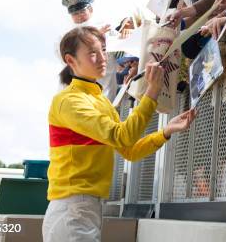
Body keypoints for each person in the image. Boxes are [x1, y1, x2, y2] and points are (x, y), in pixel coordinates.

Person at [43, 26, 196, 242]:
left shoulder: (99, 101)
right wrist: (151, 91)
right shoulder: (68, 101)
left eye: (103, 50)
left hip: (85, 206)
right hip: (72, 206)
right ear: (70, 60)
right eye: (92, 53)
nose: (102, 58)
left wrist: (165, 132)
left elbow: (129, 150)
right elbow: (122, 136)